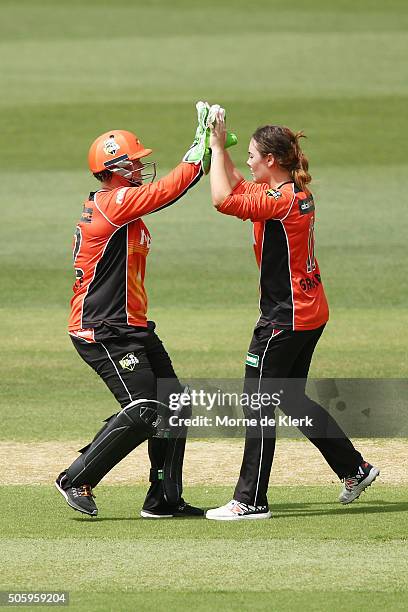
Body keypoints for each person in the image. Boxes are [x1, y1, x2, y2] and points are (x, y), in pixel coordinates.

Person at [205, 111, 380, 520]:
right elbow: (239, 184)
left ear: (271, 160)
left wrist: (214, 149)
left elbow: (221, 199)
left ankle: (250, 500)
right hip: (310, 311)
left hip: (284, 319)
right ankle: (354, 468)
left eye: (251, 155)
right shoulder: (291, 193)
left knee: (259, 402)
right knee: (289, 398)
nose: (246, 160)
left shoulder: (279, 201)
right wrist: (212, 155)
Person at [55, 116, 211, 519]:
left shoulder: (122, 210)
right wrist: (195, 160)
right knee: (145, 407)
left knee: (175, 403)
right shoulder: (111, 204)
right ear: (113, 169)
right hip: (101, 329)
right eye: (134, 162)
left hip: (132, 326)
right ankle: (76, 478)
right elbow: (164, 192)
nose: (141, 168)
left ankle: (164, 498)